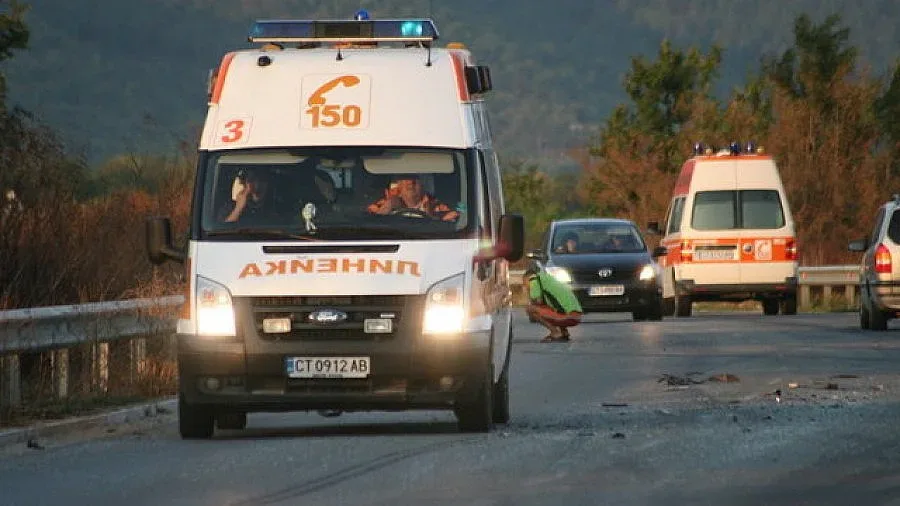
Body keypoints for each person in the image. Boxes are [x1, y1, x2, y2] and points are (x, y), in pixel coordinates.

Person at [524, 264, 583, 343]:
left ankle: (556, 333)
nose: (526, 286)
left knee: (530, 309)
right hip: (576, 316)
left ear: (526, 278)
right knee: (552, 306)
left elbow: (537, 301)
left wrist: (530, 294)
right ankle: (564, 332)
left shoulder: (534, 279)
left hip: (569, 317)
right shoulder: (548, 278)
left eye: (525, 284)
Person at [367, 175, 459, 221]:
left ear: (424, 185)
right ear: (398, 185)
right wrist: (388, 206)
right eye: (405, 177)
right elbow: (370, 226)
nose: (410, 182)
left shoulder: (440, 207)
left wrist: (430, 214)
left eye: (416, 177)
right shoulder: (380, 206)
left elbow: (457, 216)